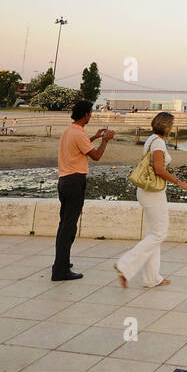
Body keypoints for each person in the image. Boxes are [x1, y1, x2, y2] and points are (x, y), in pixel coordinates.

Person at [115, 112, 187, 289]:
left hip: (147, 191)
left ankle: (152, 278)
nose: (172, 128)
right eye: (172, 125)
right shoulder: (158, 143)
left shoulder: (151, 139)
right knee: (159, 234)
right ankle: (124, 265)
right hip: (153, 193)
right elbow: (159, 169)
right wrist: (180, 183)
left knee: (154, 234)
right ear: (166, 126)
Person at [52, 102, 114, 280]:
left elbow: (82, 147)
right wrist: (105, 140)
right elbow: (96, 156)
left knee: (65, 224)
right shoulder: (78, 134)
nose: (92, 116)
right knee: (68, 227)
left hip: (65, 180)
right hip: (74, 181)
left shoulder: (70, 131)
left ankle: (62, 262)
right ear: (86, 114)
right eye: (91, 113)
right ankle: (60, 270)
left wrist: (94, 137)